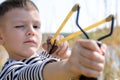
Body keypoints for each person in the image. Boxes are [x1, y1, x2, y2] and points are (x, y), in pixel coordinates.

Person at [0, 0, 107, 80]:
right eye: (19, 26)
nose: (31, 31)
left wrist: (64, 54)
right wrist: (68, 66)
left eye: (36, 26)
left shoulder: (47, 56)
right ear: (1, 37)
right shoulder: (10, 72)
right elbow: (34, 73)